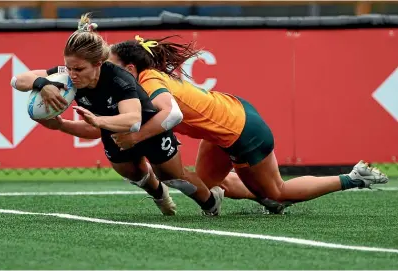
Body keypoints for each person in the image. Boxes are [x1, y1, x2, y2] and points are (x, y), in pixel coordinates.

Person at [107, 35, 389, 212]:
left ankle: (353, 178)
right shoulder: (143, 79)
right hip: (228, 122)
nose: (108, 72)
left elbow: (172, 116)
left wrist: (135, 138)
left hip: (242, 132)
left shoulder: (149, 80)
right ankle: (259, 194)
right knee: (206, 186)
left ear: (131, 69)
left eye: (112, 66)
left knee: (277, 193)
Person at [11, 14, 224, 217]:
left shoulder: (119, 80)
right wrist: (43, 84)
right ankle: (159, 195)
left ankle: (211, 203)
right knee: (134, 173)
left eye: (78, 69)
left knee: (174, 177)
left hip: (148, 129)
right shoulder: (67, 75)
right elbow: (17, 80)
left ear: (98, 64)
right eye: (68, 67)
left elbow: (133, 120)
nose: (72, 75)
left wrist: (98, 121)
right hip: (112, 131)